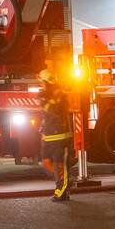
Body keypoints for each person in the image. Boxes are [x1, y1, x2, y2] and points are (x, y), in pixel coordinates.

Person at [38, 68, 72, 202]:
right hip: (48, 136)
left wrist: (45, 102)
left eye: (42, 82)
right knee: (46, 162)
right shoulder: (45, 95)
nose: (41, 85)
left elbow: (55, 111)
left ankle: (61, 190)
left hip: (60, 136)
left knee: (59, 165)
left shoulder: (59, 95)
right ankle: (64, 181)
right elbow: (46, 114)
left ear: (48, 82)